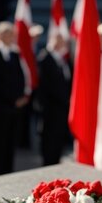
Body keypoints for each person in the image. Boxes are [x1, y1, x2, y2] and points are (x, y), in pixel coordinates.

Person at [0, 21, 28, 175]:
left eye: (11, 34)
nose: (10, 37)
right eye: (6, 34)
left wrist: (21, 96)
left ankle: (8, 171)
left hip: (14, 108)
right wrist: (11, 99)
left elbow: (20, 77)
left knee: (10, 142)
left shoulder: (14, 54)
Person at [37, 33, 72, 166]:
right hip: (50, 107)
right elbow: (45, 85)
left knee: (58, 137)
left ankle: (56, 161)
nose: (62, 43)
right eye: (59, 40)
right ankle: (48, 163)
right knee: (49, 138)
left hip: (62, 107)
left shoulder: (63, 60)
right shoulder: (45, 58)